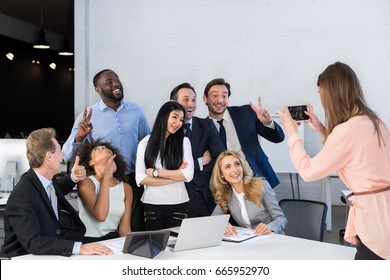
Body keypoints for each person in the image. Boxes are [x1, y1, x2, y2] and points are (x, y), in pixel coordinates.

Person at [277, 61, 390, 260]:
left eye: (321, 94)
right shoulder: (376, 121)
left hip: (374, 220)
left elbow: (308, 171)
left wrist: (293, 133)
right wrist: (320, 128)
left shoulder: (346, 131)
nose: (321, 100)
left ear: (332, 95)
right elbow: (351, 151)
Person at [0, 128, 113, 258]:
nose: (63, 154)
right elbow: (33, 242)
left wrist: (73, 177)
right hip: (22, 260)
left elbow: (55, 190)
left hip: (48, 254)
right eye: (59, 150)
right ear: (49, 156)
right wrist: (78, 248)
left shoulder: (46, 180)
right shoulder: (22, 195)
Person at [62, 69, 150, 231]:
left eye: (117, 79)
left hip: (134, 180)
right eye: (109, 82)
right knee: (105, 226)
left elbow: (149, 145)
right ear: (98, 89)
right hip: (104, 182)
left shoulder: (137, 111)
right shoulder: (88, 116)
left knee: (134, 227)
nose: (116, 83)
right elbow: (67, 154)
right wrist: (80, 137)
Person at [203, 78, 285, 188]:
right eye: (215, 95)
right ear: (205, 98)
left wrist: (268, 123)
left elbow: (278, 138)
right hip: (226, 187)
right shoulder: (203, 128)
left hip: (257, 179)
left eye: (224, 96)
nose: (220, 100)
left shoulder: (245, 113)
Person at [135, 101, 194, 230]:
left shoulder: (184, 142)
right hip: (152, 203)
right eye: (174, 117)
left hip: (178, 203)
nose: (178, 123)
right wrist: (176, 175)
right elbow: (140, 179)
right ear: (164, 116)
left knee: (176, 247)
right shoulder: (145, 143)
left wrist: (156, 173)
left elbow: (188, 175)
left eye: (181, 120)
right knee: (155, 246)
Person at [170, 82, 225, 217]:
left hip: (205, 196)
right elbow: (170, 165)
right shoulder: (167, 130)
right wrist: (201, 162)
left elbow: (220, 158)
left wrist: (185, 170)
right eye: (186, 100)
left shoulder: (207, 125)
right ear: (173, 103)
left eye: (194, 100)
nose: (191, 104)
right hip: (175, 198)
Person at [210, 150, 287, 235]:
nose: (234, 170)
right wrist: (224, 226)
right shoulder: (226, 193)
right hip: (250, 241)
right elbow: (214, 219)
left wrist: (270, 227)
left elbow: (281, 218)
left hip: (272, 238)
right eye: (228, 167)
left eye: (237, 164)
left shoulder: (261, 185)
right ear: (221, 174)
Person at [75, 138, 132, 243]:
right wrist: (106, 176)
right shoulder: (86, 182)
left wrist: (128, 249)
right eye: (97, 149)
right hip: (88, 242)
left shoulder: (126, 188)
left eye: (106, 148)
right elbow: (100, 215)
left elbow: (125, 227)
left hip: (113, 241)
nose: (103, 147)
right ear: (91, 162)